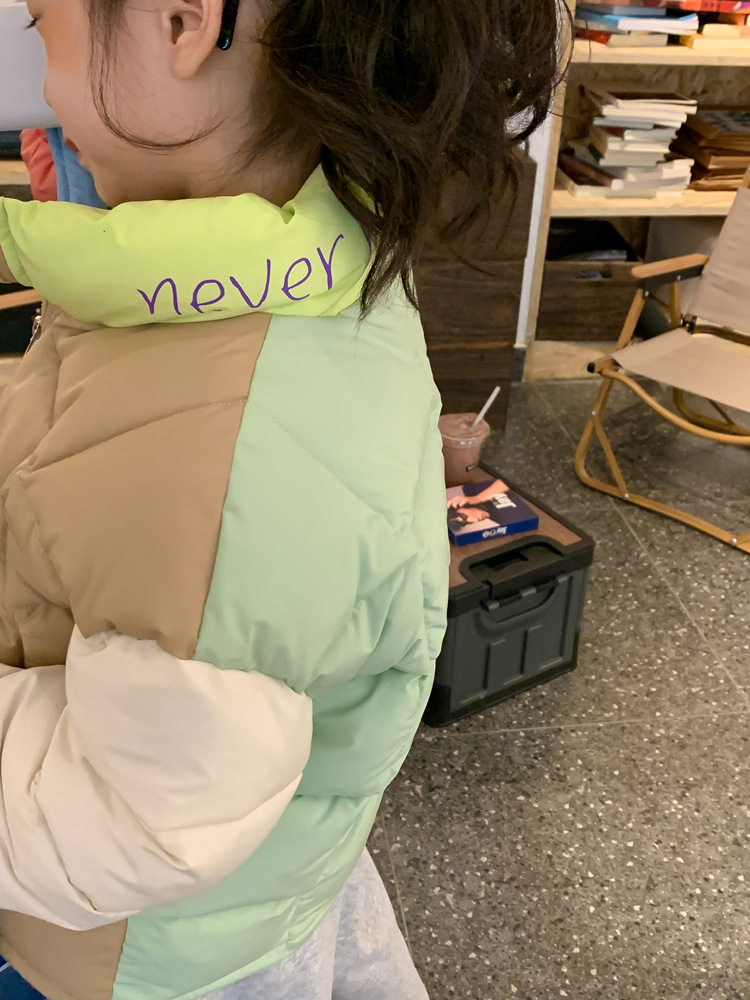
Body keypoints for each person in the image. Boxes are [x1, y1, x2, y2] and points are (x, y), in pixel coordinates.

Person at [0, 1, 563, 998]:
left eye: (45, 21)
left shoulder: (227, 466)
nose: (41, 79)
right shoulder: (315, 253)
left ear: (184, 21)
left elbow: (130, 824)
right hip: (258, 871)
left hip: (149, 953)